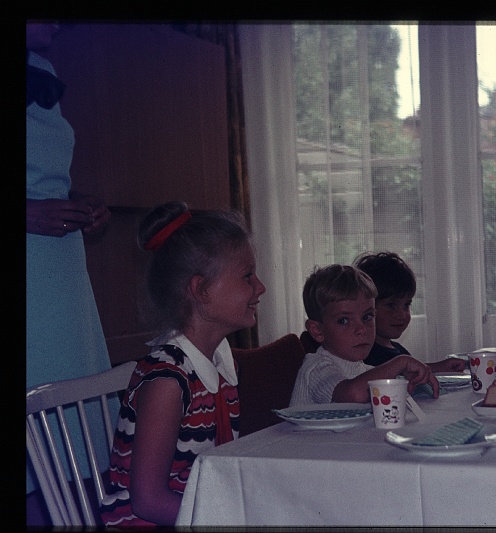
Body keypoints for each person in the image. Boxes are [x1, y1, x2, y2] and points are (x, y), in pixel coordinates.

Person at [99, 201, 266, 526]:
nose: (260, 287)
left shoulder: (220, 364)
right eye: (247, 276)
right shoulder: (167, 379)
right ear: (201, 289)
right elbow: (148, 501)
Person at [26, 22, 117, 525]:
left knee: (75, 429)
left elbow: (42, 176)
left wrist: (79, 202)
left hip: (60, 272)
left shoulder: (40, 68)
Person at [290, 264, 440, 406]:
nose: (361, 329)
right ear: (317, 330)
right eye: (344, 320)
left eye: (367, 317)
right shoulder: (316, 368)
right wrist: (401, 362)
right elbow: (354, 394)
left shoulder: (361, 368)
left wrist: (405, 380)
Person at [354, 251, 466, 373]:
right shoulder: (364, 355)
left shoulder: (399, 351)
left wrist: (440, 367)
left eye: (406, 305)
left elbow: (408, 372)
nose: (402, 315)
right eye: (391, 305)